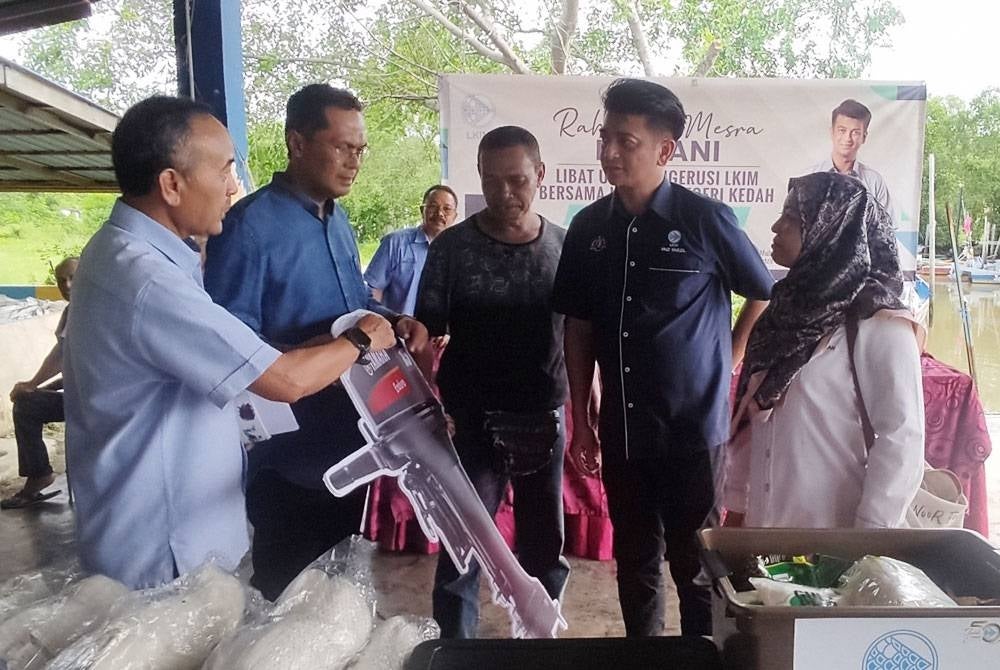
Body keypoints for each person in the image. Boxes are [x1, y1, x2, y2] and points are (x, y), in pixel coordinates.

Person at [63, 95, 396, 590]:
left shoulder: (131, 254)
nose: (231, 186)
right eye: (222, 170)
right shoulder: (149, 279)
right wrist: (360, 338)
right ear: (172, 184)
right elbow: (283, 381)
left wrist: (377, 324)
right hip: (166, 551)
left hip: (188, 526)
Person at [551, 78, 773, 637]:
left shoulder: (704, 219)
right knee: (634, 561)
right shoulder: (588, 228)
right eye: (605, 138)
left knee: (695, 565)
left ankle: (700, 656)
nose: (609, 152)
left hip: (692, 431)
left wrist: (730, 356)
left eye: (625, 141)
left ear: (664, 150)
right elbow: (578, 326)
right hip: (623, 429)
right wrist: (583, 420)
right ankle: (644, 656)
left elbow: (762, 291)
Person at [204, 84, 428, 601]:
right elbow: (231, 350)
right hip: (288, 457)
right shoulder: (249, 229)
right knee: (284, 597)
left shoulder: (338, 220)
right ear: (297, 143)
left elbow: (354, 302)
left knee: (334, 591)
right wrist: (332, 345)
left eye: (361, 150)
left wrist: (395, 320)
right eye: (343, 147)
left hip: (348, 439)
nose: (355, 162)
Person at [416, 126, 570, 639]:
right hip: (469, 422)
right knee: (462, 545)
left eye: (518, 180)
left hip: (543, 415)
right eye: (491, 181)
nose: (505, 193)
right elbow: (424, 334)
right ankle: (455, 651)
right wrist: (427, 408)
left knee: (544, 547)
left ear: (540, 175)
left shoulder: (564, 248)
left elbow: (579, 334)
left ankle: (540, 641)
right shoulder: (452, 249)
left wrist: (589, 403)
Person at [724, 172, 924, 528]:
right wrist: (738, 509)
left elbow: (902, 438)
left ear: (833, 229)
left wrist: (867, 538)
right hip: (766, 530)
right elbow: (754, 418)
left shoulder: (879, 324)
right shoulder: (782, 314)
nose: (776, 227)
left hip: (835, 538)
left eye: (791, 217)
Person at [2, 257, 77, 509]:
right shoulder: (71, 311)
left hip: (95, 401)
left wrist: (34, 384)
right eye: (61, 281)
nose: (67, 285)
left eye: (73, 278)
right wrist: (37, 387)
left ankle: (39, 476)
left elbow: (66, 359)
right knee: (27, 403)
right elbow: (68, 361)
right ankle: (39, 474)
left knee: (27, 406)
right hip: (81, 394)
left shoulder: (89, 312)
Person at [365, 184, 459, 315]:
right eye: (433, 206)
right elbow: (373, 290)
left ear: (454, 216)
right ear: (422, 210)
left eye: (447, 209)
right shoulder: (395, 243)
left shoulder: (459, 252)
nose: (440, 213)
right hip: (397, 326)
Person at [806, 99, 892, 218]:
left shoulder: (874, 182)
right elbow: (794, 224)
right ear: (832, 132)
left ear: (864, 137)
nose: (848, 138)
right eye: (842, 130)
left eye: (855, 132)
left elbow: (887, 226)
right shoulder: (808, 177)